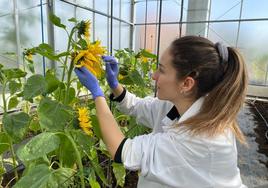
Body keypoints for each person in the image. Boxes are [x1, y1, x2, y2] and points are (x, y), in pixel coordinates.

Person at [74, 36, 248, 188]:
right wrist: (114, 86)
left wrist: (97, 93)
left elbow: (121, 150)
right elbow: (138, 106)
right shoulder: (184, 104)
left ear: (186, 84)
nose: (154, 76)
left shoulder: (200, 137)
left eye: (162, 70)